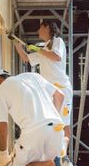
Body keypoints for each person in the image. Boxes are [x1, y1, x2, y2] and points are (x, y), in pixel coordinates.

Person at [0, 69, 89, 166]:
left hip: (33, 131)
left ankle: (53, 164)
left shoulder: (2, 89)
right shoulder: (33, 76)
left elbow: (2, 125)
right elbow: (60, 96)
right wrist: (52, 119)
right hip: (56, 126)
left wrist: (3, 153)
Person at [14, 21, 72, 153]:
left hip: (62, 87)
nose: (37, 30)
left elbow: (56, 57)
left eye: (40, 27)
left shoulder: (57, 42)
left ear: (47, 27)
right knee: (52, 122)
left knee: (63, 122)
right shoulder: (43, 47)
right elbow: (26, 58)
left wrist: (38, 49)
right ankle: (55, 154)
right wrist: (16, 44)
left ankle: (63, 155)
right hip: (49, 91)